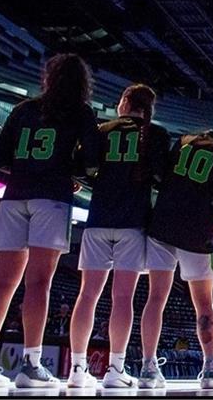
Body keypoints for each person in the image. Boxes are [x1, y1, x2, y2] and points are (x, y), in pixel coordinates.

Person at [0, 54, 99, 390]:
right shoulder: (80, 111)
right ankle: (31, 364)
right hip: (51, 199)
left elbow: (0, 158)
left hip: (15, 196)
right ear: (82, 83)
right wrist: (69, 171)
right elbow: (92, 160)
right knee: (38, 284)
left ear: (48, 77)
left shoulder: (23, 109)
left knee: (2, 283)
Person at [138, 112, 213, 390]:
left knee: (155, 298)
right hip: (197, 231)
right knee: (205, 305)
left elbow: (162, 174)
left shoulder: (186, 138)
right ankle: (210, 368)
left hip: (163, 224)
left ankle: (147, 366)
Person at [68, 84, 170, 389]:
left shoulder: (103, 129)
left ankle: (76, 368)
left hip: (98, 219)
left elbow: (82, 167)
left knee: (87, 296)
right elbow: (162, 177)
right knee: (122, 298)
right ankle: (116, 369)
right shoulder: (157, 134)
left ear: (125, 102)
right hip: (133, 223)